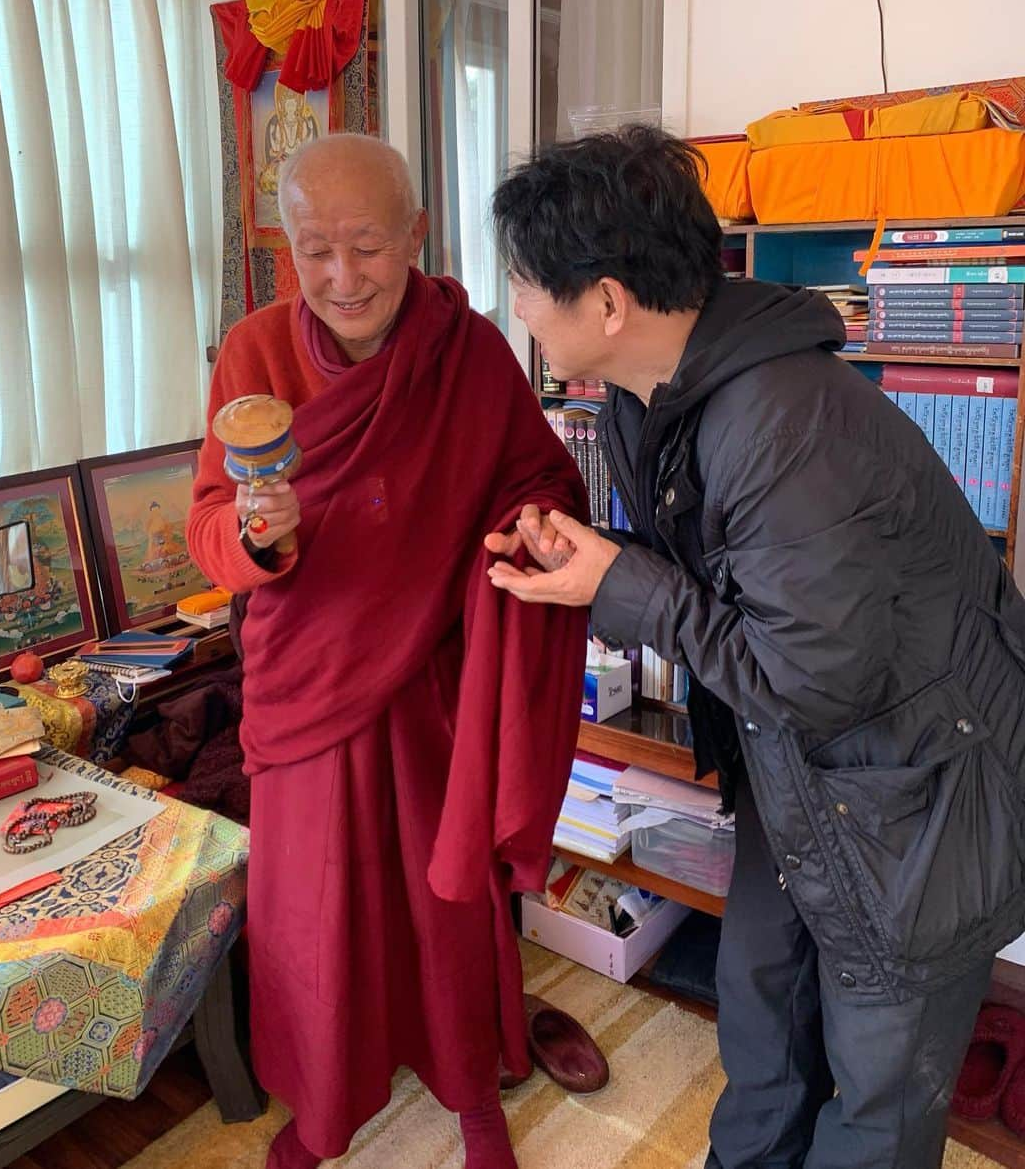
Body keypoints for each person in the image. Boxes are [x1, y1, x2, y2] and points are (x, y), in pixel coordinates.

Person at [486, 125, 1025, 1169]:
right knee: (763, 1014)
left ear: (605, 301)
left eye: (524, 281)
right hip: (800, 778)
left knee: (878, 1094)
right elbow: (716, 580)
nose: (514, 304)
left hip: (917, 803)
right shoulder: (655, 395)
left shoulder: (787, 424)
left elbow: (811, 674)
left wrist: (620, 582)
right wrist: (594, 561)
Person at [187, 133, 588, 1169]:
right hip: (304, 678)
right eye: (315, 249)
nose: (341, 277)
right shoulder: (253, 354)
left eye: (366, 246)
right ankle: (323, 1109)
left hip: (430, 676)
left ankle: (470, 1090)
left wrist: (533, 524)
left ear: (416, 233)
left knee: (443, 902)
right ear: (288, 248)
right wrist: (256, 534)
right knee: (312, 917)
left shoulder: (470, 348)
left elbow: (531, 477)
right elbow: (207, 529)